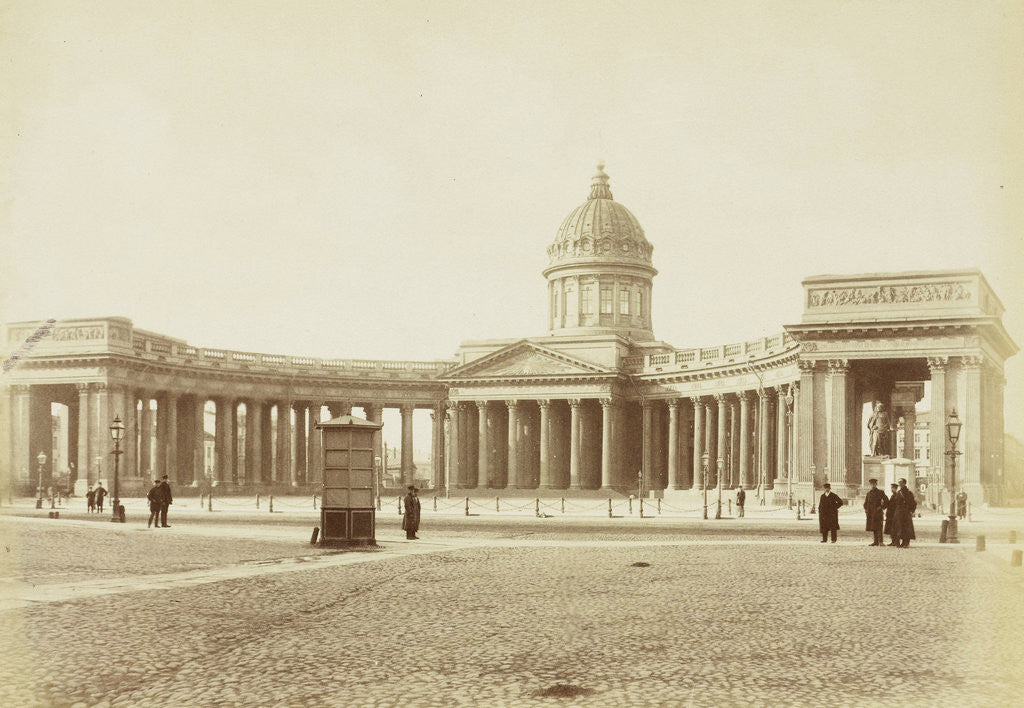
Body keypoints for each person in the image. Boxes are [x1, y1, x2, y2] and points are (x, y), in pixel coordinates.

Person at [892, 478, 917, 548]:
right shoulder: (898, 492)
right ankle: (899, 542)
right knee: (899, 528)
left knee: (906, 528)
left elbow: (913, 503)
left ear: (904, 483)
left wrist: (912, 511)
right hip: (899, 513)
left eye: (901, 482)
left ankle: (906, 542)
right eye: (899, 482)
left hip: (906, 513)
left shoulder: (909, 493)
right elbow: (895, 503)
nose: (900, 484)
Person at [863, 478, 888, 546]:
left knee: (879, 527)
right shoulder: (869, 493)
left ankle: (881, 541)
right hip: (871, 513)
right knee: (873, 527)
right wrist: (866, 510)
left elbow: (886, 501)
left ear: (876, 484)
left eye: (874, 484)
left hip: (878, 513)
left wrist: (881, 507)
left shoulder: (880, 492)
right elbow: (865, 503)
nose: (872, 485)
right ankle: (875, 541)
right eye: (871, 484)